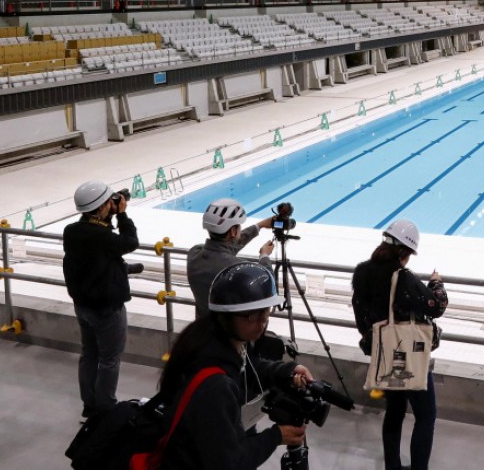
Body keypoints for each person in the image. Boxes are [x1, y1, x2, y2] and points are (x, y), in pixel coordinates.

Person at [156, 261, 310, 469]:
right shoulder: (215, 386)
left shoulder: (217, 341)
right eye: (252, 315)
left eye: (266, 311)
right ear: (227, 315)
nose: (262, 321)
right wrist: (276, 436)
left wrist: (286, 371)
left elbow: (249, 367)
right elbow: (231, 463)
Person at [351, 219, 448, 470]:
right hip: (409, 356)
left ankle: (392, 467)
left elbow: (361, 318)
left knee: (394, 413)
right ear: (406, 252)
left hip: (384, 354)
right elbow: (436, 306)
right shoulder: (402, 277)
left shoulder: (363, 274)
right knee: (426, 417)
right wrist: (436, 284)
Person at [62, 180, 139, 419]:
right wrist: (123, 215)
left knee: (90, 354)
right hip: (106, 309)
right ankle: (105, 409)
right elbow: (129, 242)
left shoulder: (72, 231)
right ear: (102, 206)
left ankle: (89, 406)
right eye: (110, 202)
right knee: (109, 360)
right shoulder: (102, 237)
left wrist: (108, 215)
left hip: (83, 307)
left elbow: (97, 258)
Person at [187, 198, 276, 321]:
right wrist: (264, 256)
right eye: (238, 227)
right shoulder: (238, 269)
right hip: (229, 337)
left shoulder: (194, 255)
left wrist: (259, 226)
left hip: (201, 332)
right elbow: (268, 285)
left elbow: (223, 248)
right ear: (233, 231)